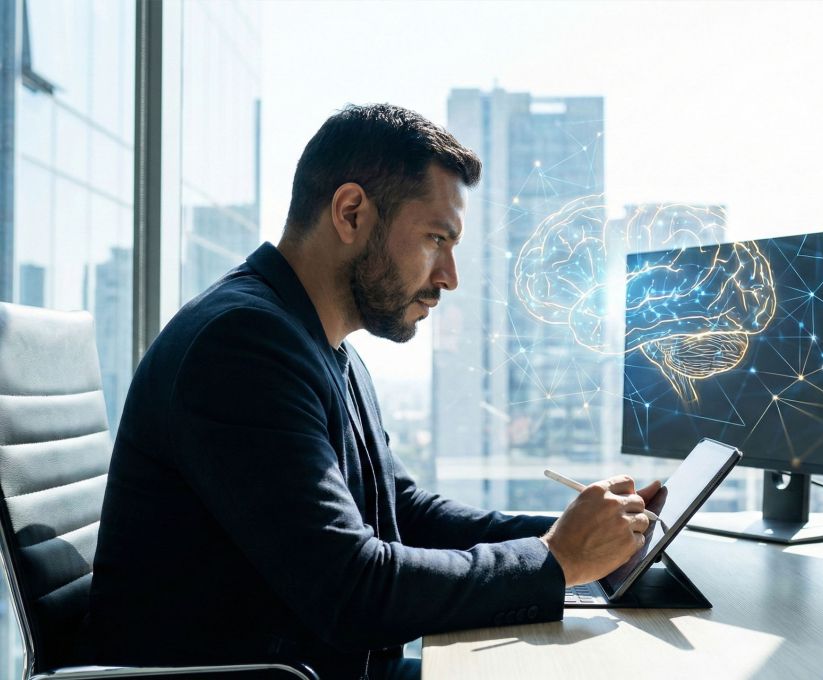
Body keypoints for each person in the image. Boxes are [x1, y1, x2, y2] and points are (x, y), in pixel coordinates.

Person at [90, 104, 659, 680]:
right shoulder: (241, 346)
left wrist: (588, 531)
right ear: (352, 212)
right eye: (437, 238)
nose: (450, 277)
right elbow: (352, 592)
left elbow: (401, 513)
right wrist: (555, 558)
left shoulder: (324, 346)